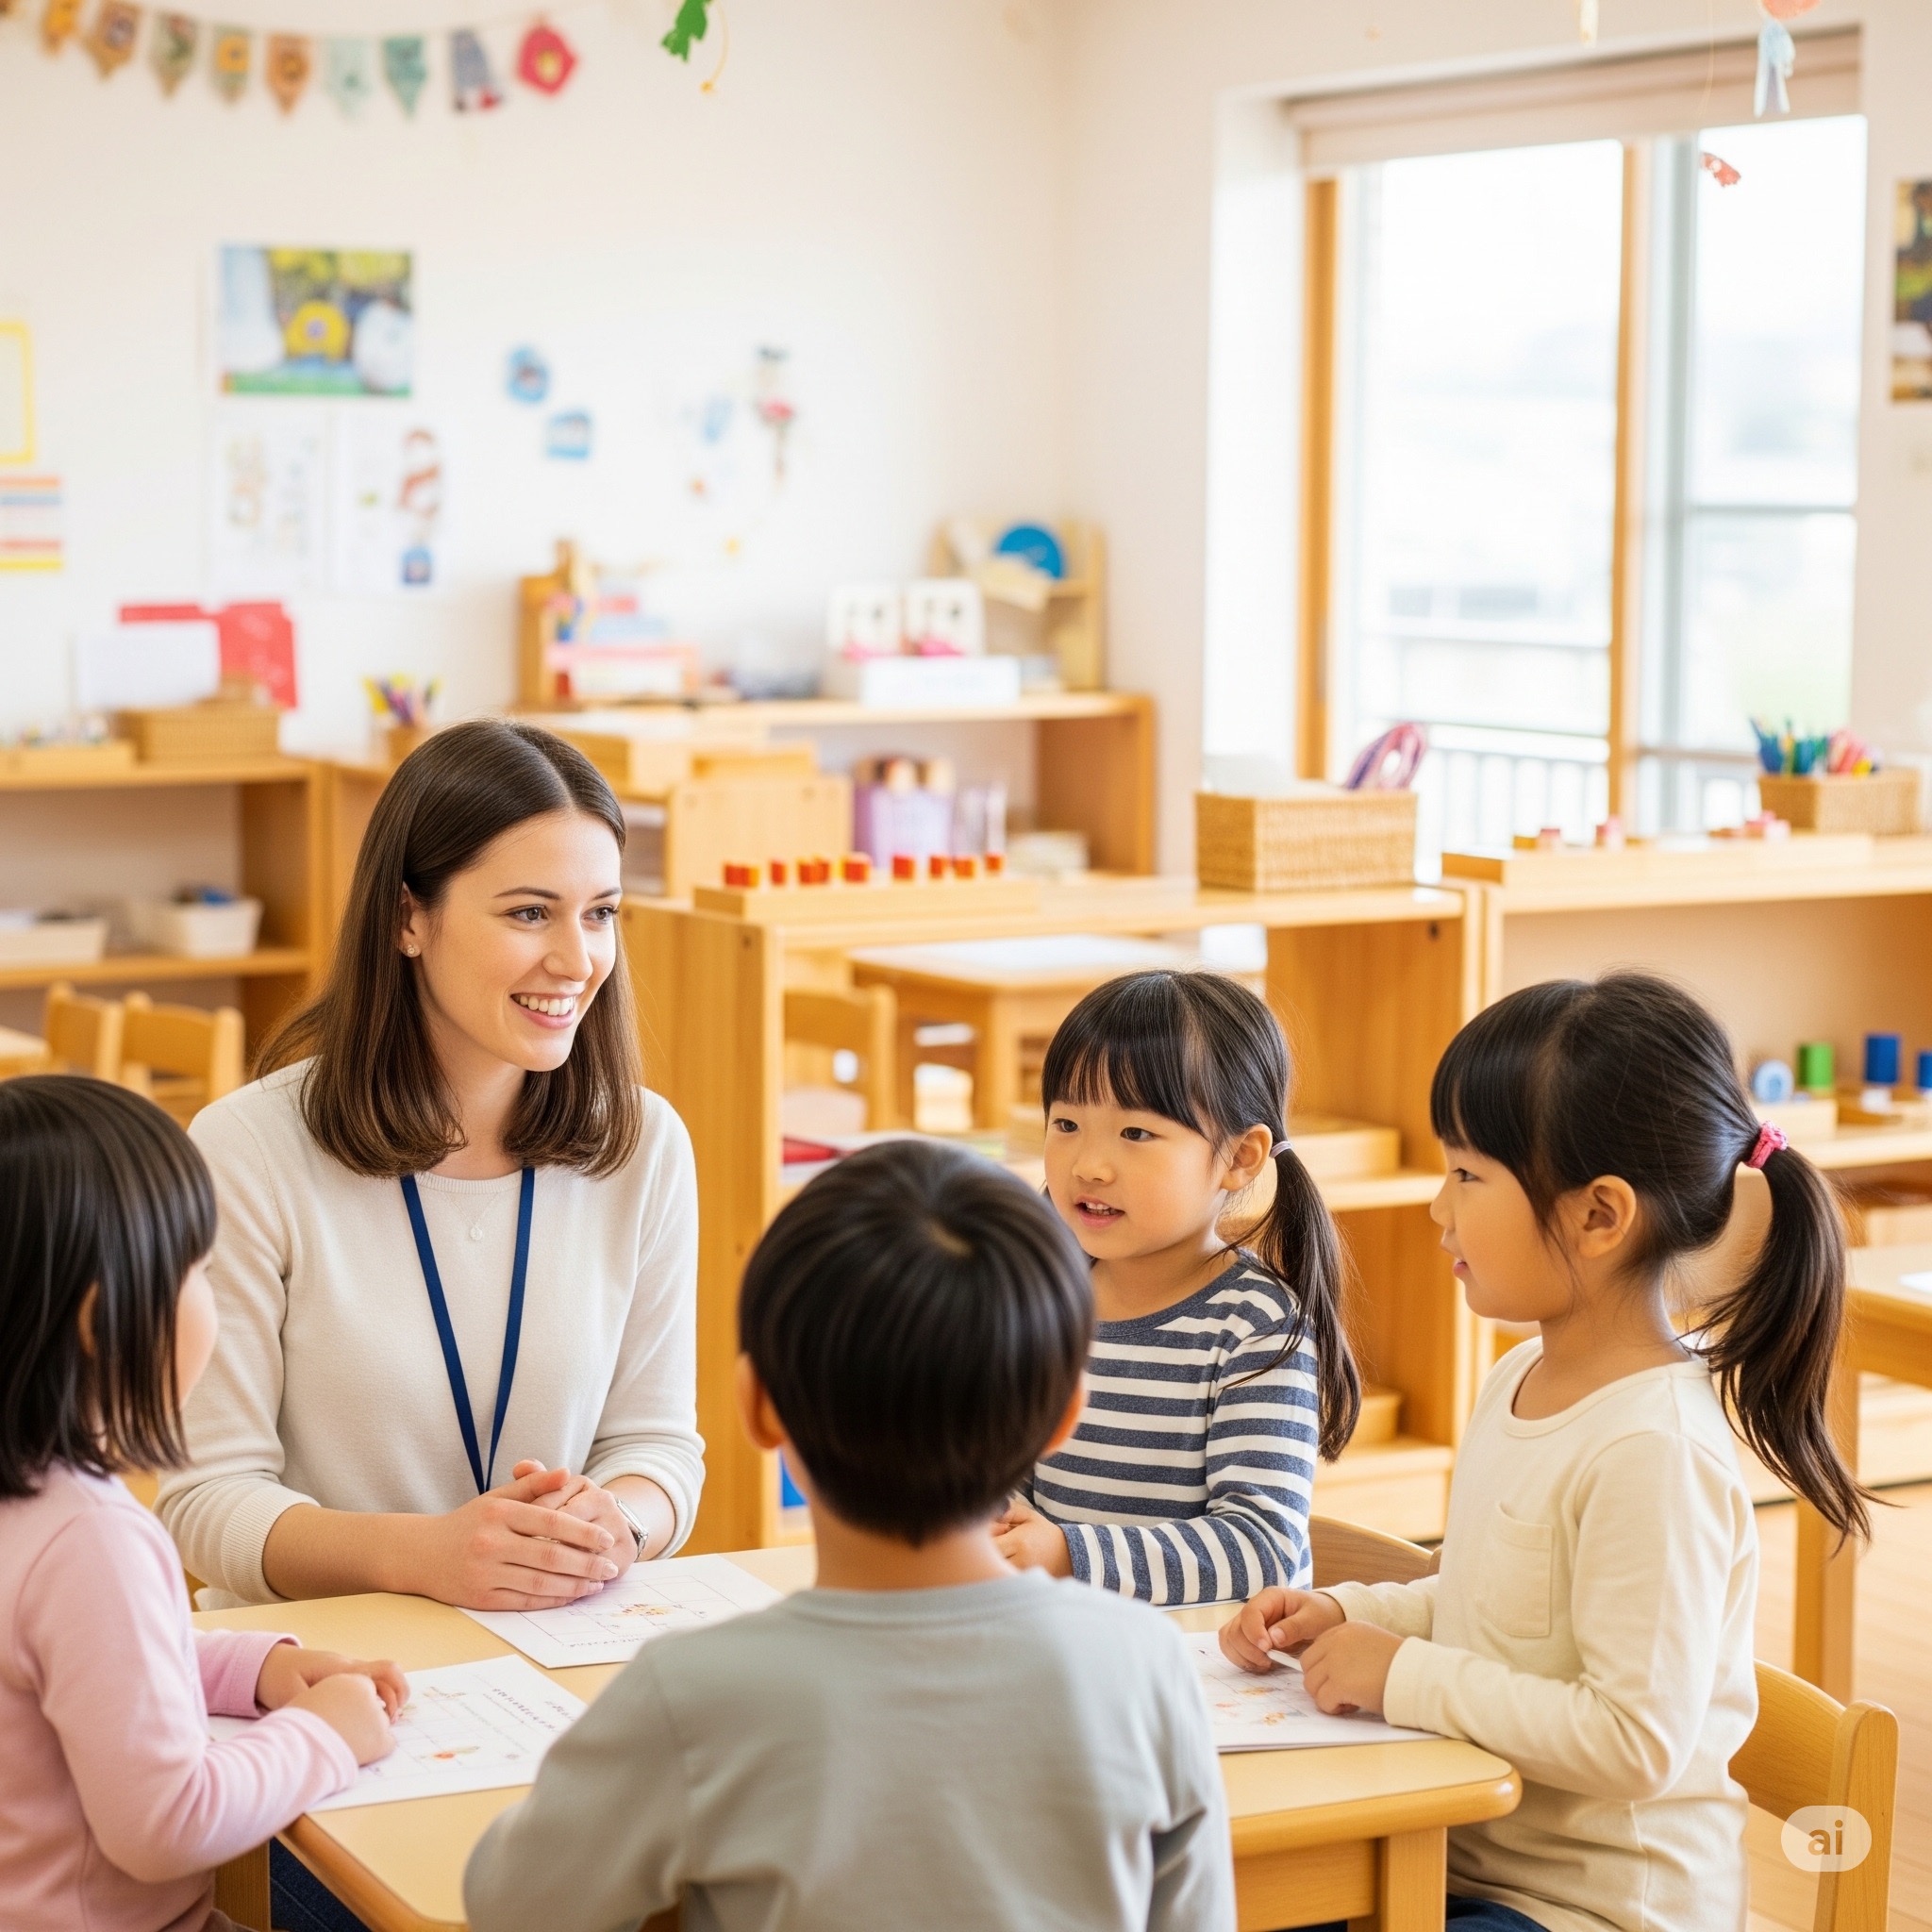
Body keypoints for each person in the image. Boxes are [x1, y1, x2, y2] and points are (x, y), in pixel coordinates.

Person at [1221, 973, 1870, 1932]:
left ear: (1597, 1214)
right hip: (1461, 1854)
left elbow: (1632, 1740)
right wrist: (1343, 1613)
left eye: (1467, 1173)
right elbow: (1493, 1608)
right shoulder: (1518, 1373)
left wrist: (1399, 1670)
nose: (1438, 1207)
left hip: (1593, 1907)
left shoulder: (1653, 1449)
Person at [463, 1139, 1236, 1932]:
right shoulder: (1146, 1666)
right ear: (1064, 1414)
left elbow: (513, 1906)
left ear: (757, 1407)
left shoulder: (694, 1696)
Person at [157, 721, 702, 1624]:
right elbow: (208, 1500)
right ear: (409, 917)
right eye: (530, 913)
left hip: (556, 1644)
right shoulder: (249, 1149)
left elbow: (657, 1447)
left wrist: (620, 1524)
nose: (577, 960)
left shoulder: (644, 1143)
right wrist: (431, 1556)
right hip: (318, 1668)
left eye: (600, 913)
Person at [0, 1076, 402, 1932]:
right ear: (103, 1321)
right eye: (199, 1274)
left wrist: (252, 1671)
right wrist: (327, 1734)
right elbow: (167, 1825)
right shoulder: (88, 1537)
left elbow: (78, 1668)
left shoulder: (27, 1511)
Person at [994, 970, 1360, 1603]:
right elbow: (1008, 1476)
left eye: (1136, 1133)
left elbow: (1262, 1552)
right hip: (1069, 1643)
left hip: (1210, 1675)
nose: (1089, 1165)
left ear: (1240, 1157)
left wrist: (1066, 1553)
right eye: (1067, 1124)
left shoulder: (1256, 1326)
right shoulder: (1047, 1298)